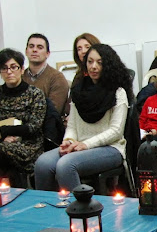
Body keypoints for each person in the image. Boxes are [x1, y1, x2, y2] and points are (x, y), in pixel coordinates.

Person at [35, 44, 133, 191]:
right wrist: (68, 141)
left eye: (99, 62)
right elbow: (73, 125)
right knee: (42, 163)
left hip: (110, 148)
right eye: (90, 61)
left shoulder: (118, 92)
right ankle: (48, 208)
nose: (93, 66)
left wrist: (86, 145)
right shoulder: (79, 89)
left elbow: (115, 131)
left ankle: (80, 211)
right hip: (79, 145)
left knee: (66, 165)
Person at [0, 48, 46, 186]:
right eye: (4, 68)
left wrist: (3, 131)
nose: (9, 72)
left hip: (27, 144)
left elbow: (34, 127)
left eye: (13, 67)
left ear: (22, 69)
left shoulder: (35, 94)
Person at [22, 33, 70, 116]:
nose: (34, 50)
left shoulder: (57, 78)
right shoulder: (20, 77)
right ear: (26, 51)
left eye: (40, 47)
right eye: (31, 46)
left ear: (47, 53)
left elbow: (53, 111)